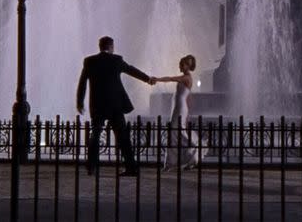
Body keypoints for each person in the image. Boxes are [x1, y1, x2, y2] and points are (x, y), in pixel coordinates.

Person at [77, 36, 154, 176]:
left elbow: (82, 82)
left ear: (100, 46)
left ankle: (91, 167)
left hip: (98, 105)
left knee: (95, 134)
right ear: (111, 47)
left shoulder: (89, 61)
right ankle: (131, 167)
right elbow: (131, 70)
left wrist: (79, 102)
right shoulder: (116, 60)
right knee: (123, 136)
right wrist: (147, 79)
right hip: (115, 105)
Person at [153, 54, 206, 170]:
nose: (180, 66)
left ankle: (189, 151)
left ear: (187, 66)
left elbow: (171, 78)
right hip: (179, 107)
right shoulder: (187, 77)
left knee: (176, 132)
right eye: (180, 64)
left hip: (180, 107)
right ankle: (173, 162)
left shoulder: (186, 78)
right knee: (175, 132)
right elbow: (189, 98)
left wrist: (157, 79)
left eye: (182, 64)